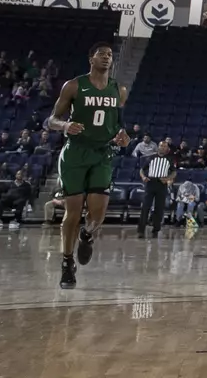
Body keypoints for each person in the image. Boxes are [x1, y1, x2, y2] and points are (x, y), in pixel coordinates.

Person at [45, 42, 131, 289]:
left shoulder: (119, 90)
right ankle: (67, 262)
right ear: (90, 59)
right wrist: (64, 126)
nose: (106, 57)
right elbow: (51, 120)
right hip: (75, 154)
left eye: (110, 55)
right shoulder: (73, 86)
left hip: (102, 153)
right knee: (73, 213)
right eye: (101, 54)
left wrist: (123, 136)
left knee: (97, 215)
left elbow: (118, 124)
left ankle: (87, 234)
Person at [137, 139, 175, 238]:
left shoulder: (169, 159)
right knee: (145, 207)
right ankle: (141, 230)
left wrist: (167, 178)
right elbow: (142, 169)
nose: (163, 148)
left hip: (162, 184)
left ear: (167, 148)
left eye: (165, 146)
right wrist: (143, 177)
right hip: (150, 183)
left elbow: (174, 172)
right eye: (161, 146)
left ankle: (156, 229)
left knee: (159, 208)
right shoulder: (151, 157)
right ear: (158, 147)